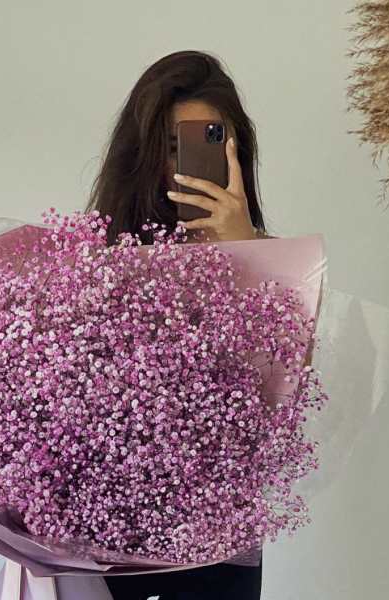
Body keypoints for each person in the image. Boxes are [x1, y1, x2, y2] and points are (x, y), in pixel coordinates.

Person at [84, 49, 267, 599]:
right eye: (170, 147)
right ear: (140, 155)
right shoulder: (95, 263)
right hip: (108, 526)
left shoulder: (280, 266)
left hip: (219, 535)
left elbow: (287, 388)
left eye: (211, 141)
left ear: (238, 151)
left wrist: (245, 254)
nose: (185, 165)